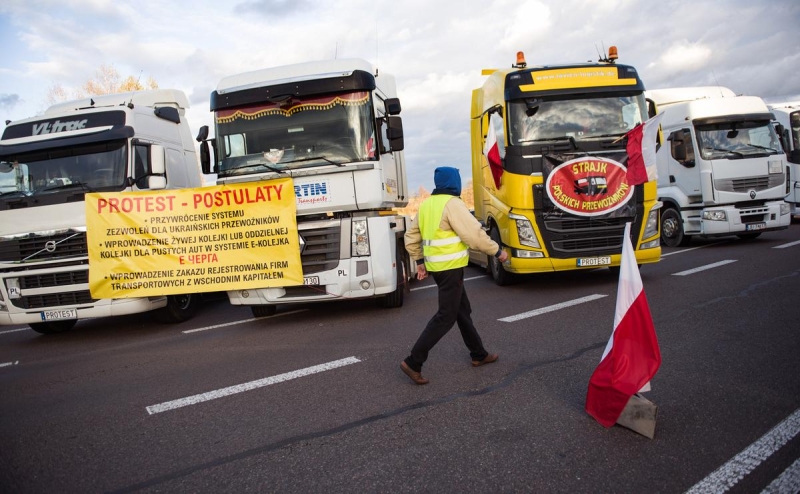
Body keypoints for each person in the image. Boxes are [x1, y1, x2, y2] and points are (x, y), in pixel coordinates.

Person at [400, 166, 509, 385]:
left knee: (462, 311)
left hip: (439, 269)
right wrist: (497, 252)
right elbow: (474, 235)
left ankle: (478, 354)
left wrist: (420, 261)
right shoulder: (453, 204)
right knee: (446, 316)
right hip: (450, 268)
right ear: (454, 182)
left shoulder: (426, 205)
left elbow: (411, 237)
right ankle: (413, 362)